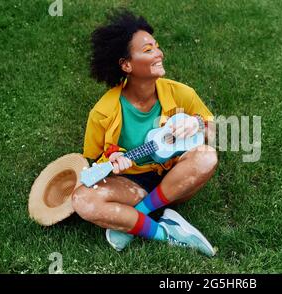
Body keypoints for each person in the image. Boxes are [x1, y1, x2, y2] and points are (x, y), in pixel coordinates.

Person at [71, 9, 218, 257]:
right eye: (148, 50)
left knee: (207, 155)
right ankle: (166, 233)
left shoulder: (181, 93)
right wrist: (114, 156)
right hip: (132, 182)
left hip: (176, 176)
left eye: (156, 46)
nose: (159, 53)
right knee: (83, 200)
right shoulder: (103, 111)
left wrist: (198, 124)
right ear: (126, 64)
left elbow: (212, 130)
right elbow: (93, 159)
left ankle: (140, 214)